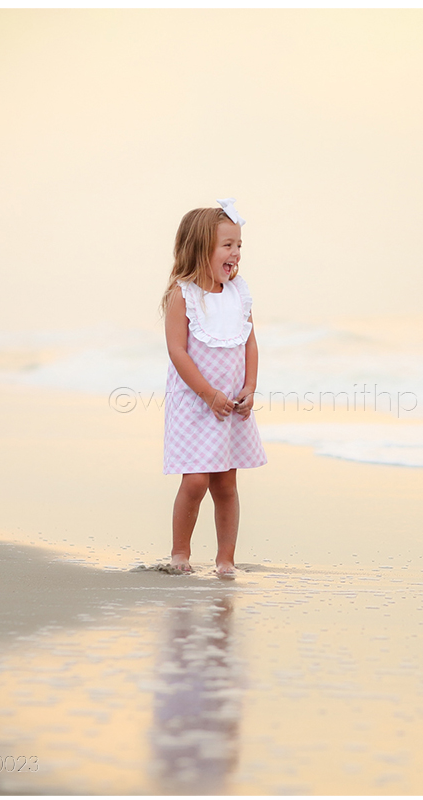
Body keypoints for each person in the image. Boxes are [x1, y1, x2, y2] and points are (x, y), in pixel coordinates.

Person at [160, 199, 267, 576]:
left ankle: (225, 560)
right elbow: (177, 351)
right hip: (195, 403)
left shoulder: (240, 294)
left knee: (225, 482)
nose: (236, 253)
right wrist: (208, 394)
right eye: (227, 245)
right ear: (200, 248)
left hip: (231, 405)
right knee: (196, 480)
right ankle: (180, 553)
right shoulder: (183, 294)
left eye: (239, 245)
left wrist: (249, 387)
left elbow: (249, 343)